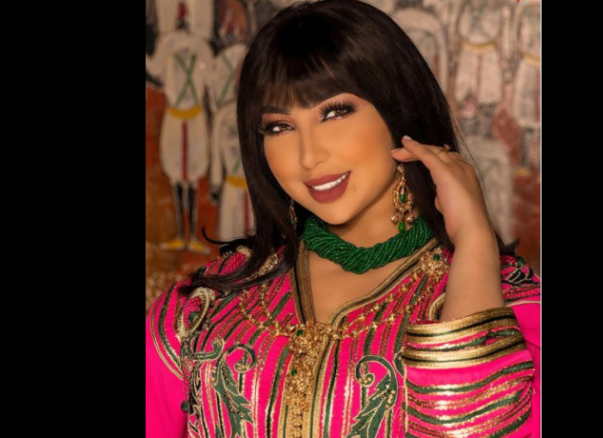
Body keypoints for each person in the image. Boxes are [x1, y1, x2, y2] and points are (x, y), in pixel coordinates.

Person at [145, 1, 541, 437]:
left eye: (334, 113)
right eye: (279, 127)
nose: (308, 156)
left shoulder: (514, 305)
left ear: (398, 108)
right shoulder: (200, 309)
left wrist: (475, 241)